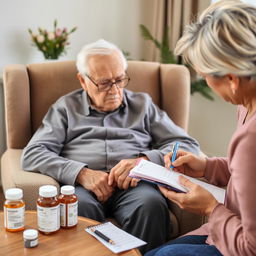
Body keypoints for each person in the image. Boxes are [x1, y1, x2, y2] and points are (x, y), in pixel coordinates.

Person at [21, 39, 199, 253]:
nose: (115, 89)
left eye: (120, 79)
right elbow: (33, 153)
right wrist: (82, 174)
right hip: (85, 188)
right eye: (104, 83)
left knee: (150, 205)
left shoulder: (143, 105)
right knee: (77, 207)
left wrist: (144, 161)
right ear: (83, 81)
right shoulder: (65, 108)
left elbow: (187, 145)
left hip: (136, 186)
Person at [145, 0, 256, 256]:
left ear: (232, 79)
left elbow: (249, 248)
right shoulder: (246, 106)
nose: (205, 82)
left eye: (205, 75)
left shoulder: (250, 137)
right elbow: (248, 172)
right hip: (229, 230)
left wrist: (210, 209)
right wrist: (206, 166)